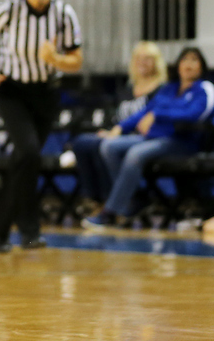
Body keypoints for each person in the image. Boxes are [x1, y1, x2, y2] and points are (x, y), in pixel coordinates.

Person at [0, 0, 83, 252]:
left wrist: (56, 59)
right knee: (30, 153)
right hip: (11, 90)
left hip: (45, 92)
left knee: (23, 161)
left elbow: (77, 60)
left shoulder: (64, 14)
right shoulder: (8, 9)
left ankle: (4, 229)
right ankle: (27, 229)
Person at [84, 47, 214, 229]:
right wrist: (120, 127)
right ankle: (137, 197)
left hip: (182, 142)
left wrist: (159, 115)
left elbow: (194, 114)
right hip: (154, 139)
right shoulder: (169, 88)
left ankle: (110, 212)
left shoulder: (204, 89)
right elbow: (144, 112)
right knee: (108, 146)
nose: (188, 64)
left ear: (202, 66)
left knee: (135, 153)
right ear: (178, 65)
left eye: (194, 60)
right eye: (185, 60)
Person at [70, 42, 168, 213]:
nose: (142, 62)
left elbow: (148, 117)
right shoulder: (127, 89)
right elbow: (116, 116)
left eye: (148, 59)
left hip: (142, 137)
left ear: (156, 62)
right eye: (138, 58)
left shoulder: (162, 89)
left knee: (103, 146)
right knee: (82, 142)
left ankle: (120, 198)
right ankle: (93, 197)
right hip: (120, 133)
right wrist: (110, 130)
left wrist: (117, 131)